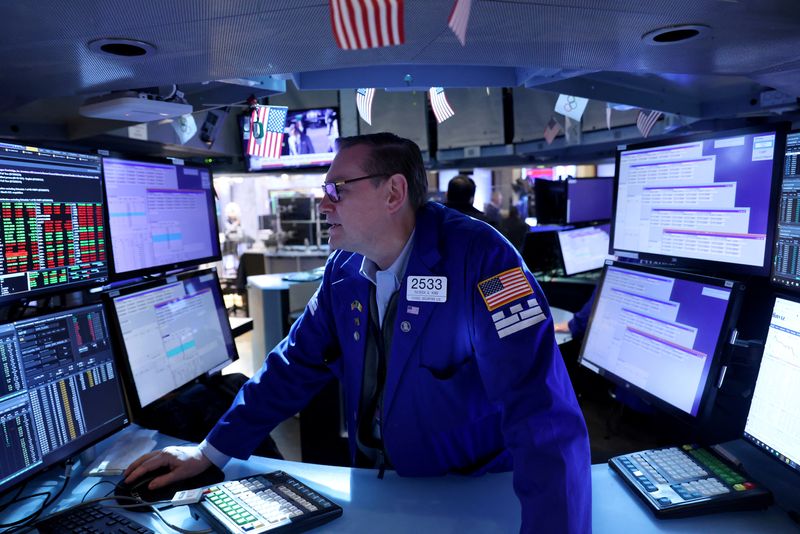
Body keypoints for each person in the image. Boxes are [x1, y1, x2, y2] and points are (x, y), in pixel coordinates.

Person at [124, 133, 591, 533]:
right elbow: (292, 366)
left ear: (393, 193)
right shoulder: (343, 269)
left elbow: (541, 415)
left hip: (470, 490)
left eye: (337, 189)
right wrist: (211, 452)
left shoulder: (486, 261)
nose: (323, 203)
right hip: (376, 483)